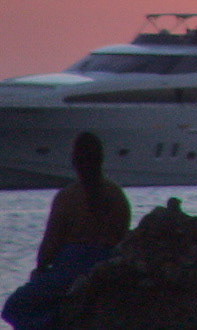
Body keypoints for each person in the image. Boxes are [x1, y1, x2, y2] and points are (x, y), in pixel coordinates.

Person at [3, 132, 131, 330]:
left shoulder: (68, 197)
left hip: (71, 271)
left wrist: (41, 269)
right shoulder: (117, 196)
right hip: (107, 268)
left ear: (75, 162)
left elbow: (49, 246)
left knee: (14, 307)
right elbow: (123, 238)